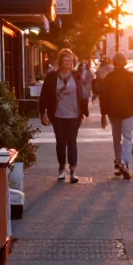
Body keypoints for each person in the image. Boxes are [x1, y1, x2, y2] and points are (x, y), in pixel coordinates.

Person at [39, 48, 88, 183]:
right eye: (65, 60)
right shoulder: (52, 77)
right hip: (58, 115)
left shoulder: (76, 76)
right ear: (60, 62)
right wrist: (43, 113)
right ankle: (61, 168)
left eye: (70, 60)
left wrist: (84, 111)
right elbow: (44, 96)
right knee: (61, 142)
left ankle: (72, 171)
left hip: (74, 114)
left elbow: (83, 94)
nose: (68, 62)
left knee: (72, 142)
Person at [98, 53, 133, 180]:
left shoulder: (108, 78)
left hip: (113, 112)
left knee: (116, 138)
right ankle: (124, 163)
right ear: (125, 63)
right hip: (128, 111)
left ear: (113, 63)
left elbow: (103, 97)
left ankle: (118, 163)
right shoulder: (131, 76)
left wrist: (103, 115)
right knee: (127, 136)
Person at [94, 56, 114, 128]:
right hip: (109, 90)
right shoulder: (112, 68)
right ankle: (105, 117)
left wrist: (96, 92)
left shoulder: (100, 70)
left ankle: (104, 117)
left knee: (103, 103)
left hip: (103, 90)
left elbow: (97, 81)